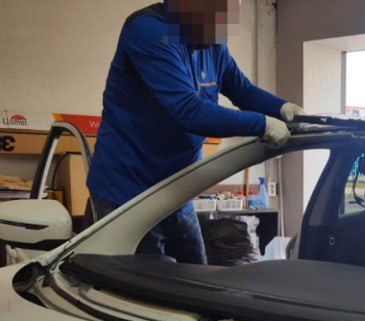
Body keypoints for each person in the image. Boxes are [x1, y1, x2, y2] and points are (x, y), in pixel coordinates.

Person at [86, 0, 303, 265]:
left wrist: (283, 108)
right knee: (152, 282)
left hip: (177, 189)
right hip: (128, 191)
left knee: (196, 271)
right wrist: (263, 124)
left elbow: (242, 90)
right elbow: (188, 110)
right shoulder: (149, 31)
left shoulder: (212, 44)